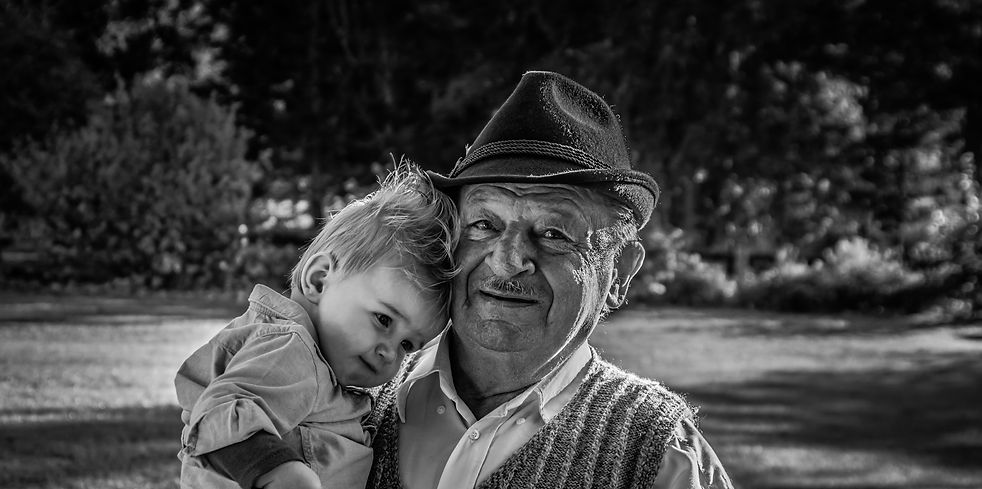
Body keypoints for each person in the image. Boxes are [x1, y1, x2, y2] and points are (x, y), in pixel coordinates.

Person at [209, 70, 733, 489]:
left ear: (618, 272)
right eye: (484, 224)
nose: (508, 261)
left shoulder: (656, 452)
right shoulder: (350, 393)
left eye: (553, 233)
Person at [173, 163, 459, 489]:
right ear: (319, 279)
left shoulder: (322, 368)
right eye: (383, 320)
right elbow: (220, 414)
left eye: (408, 345)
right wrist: (282, 473)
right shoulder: (292, 350)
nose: (388, 352)